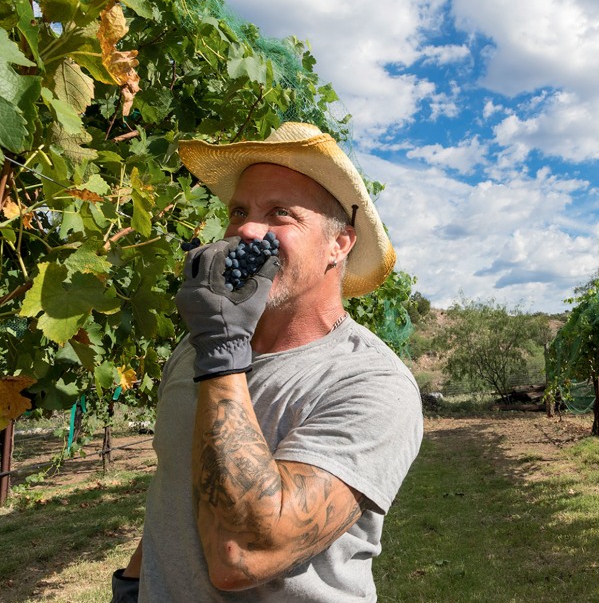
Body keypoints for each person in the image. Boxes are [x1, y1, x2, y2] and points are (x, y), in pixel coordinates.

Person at [111, 123, 424, 602]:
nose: (247, 231)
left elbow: (244, 555)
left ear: (339, 245)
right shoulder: (194, 351)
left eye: (281, 213)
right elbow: (176, 489)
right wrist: (133, 584)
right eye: (239, 210)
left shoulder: (372, 384)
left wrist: (221, 352)